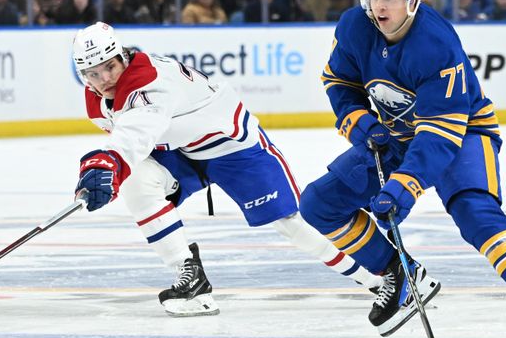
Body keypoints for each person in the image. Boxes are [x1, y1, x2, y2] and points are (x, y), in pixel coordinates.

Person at [298, 0, 506, 338]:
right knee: (318, 203)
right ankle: (401, 275)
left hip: (463, 131)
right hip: (394, 133)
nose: (380, 6)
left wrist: (403, 187)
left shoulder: (436, 42)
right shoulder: (353, 26)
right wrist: (362, 124)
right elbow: (339, 81)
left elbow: (439, 135)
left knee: (474, 212)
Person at [71, 22, 380, 316]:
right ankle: (189, 276)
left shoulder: (148, 85)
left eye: (109, 67)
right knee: (137, 183)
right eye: (92, 74)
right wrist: (101, 177)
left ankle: (377, 279)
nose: (104, 80)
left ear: (122, 56)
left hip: (232, 146)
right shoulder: (97, 99)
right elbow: (133, 143)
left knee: (292, 222)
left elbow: (135, 135)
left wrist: (105, 164)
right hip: (184, 150)